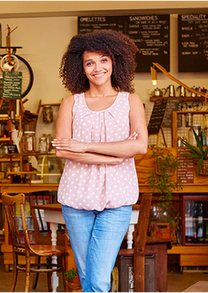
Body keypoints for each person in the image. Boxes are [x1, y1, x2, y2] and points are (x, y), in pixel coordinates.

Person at [52, 30, 148, 293]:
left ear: (114, 62)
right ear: (80, 68)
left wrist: (84, 146)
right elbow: (62, 150)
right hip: (76, 199)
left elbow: (140, 145)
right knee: (88, 275)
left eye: (103, 60)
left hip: (116, 201)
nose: (98, 68)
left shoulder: (131, 101)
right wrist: (115, 156)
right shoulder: (70, 103)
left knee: (97, 278)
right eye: (89, 63)